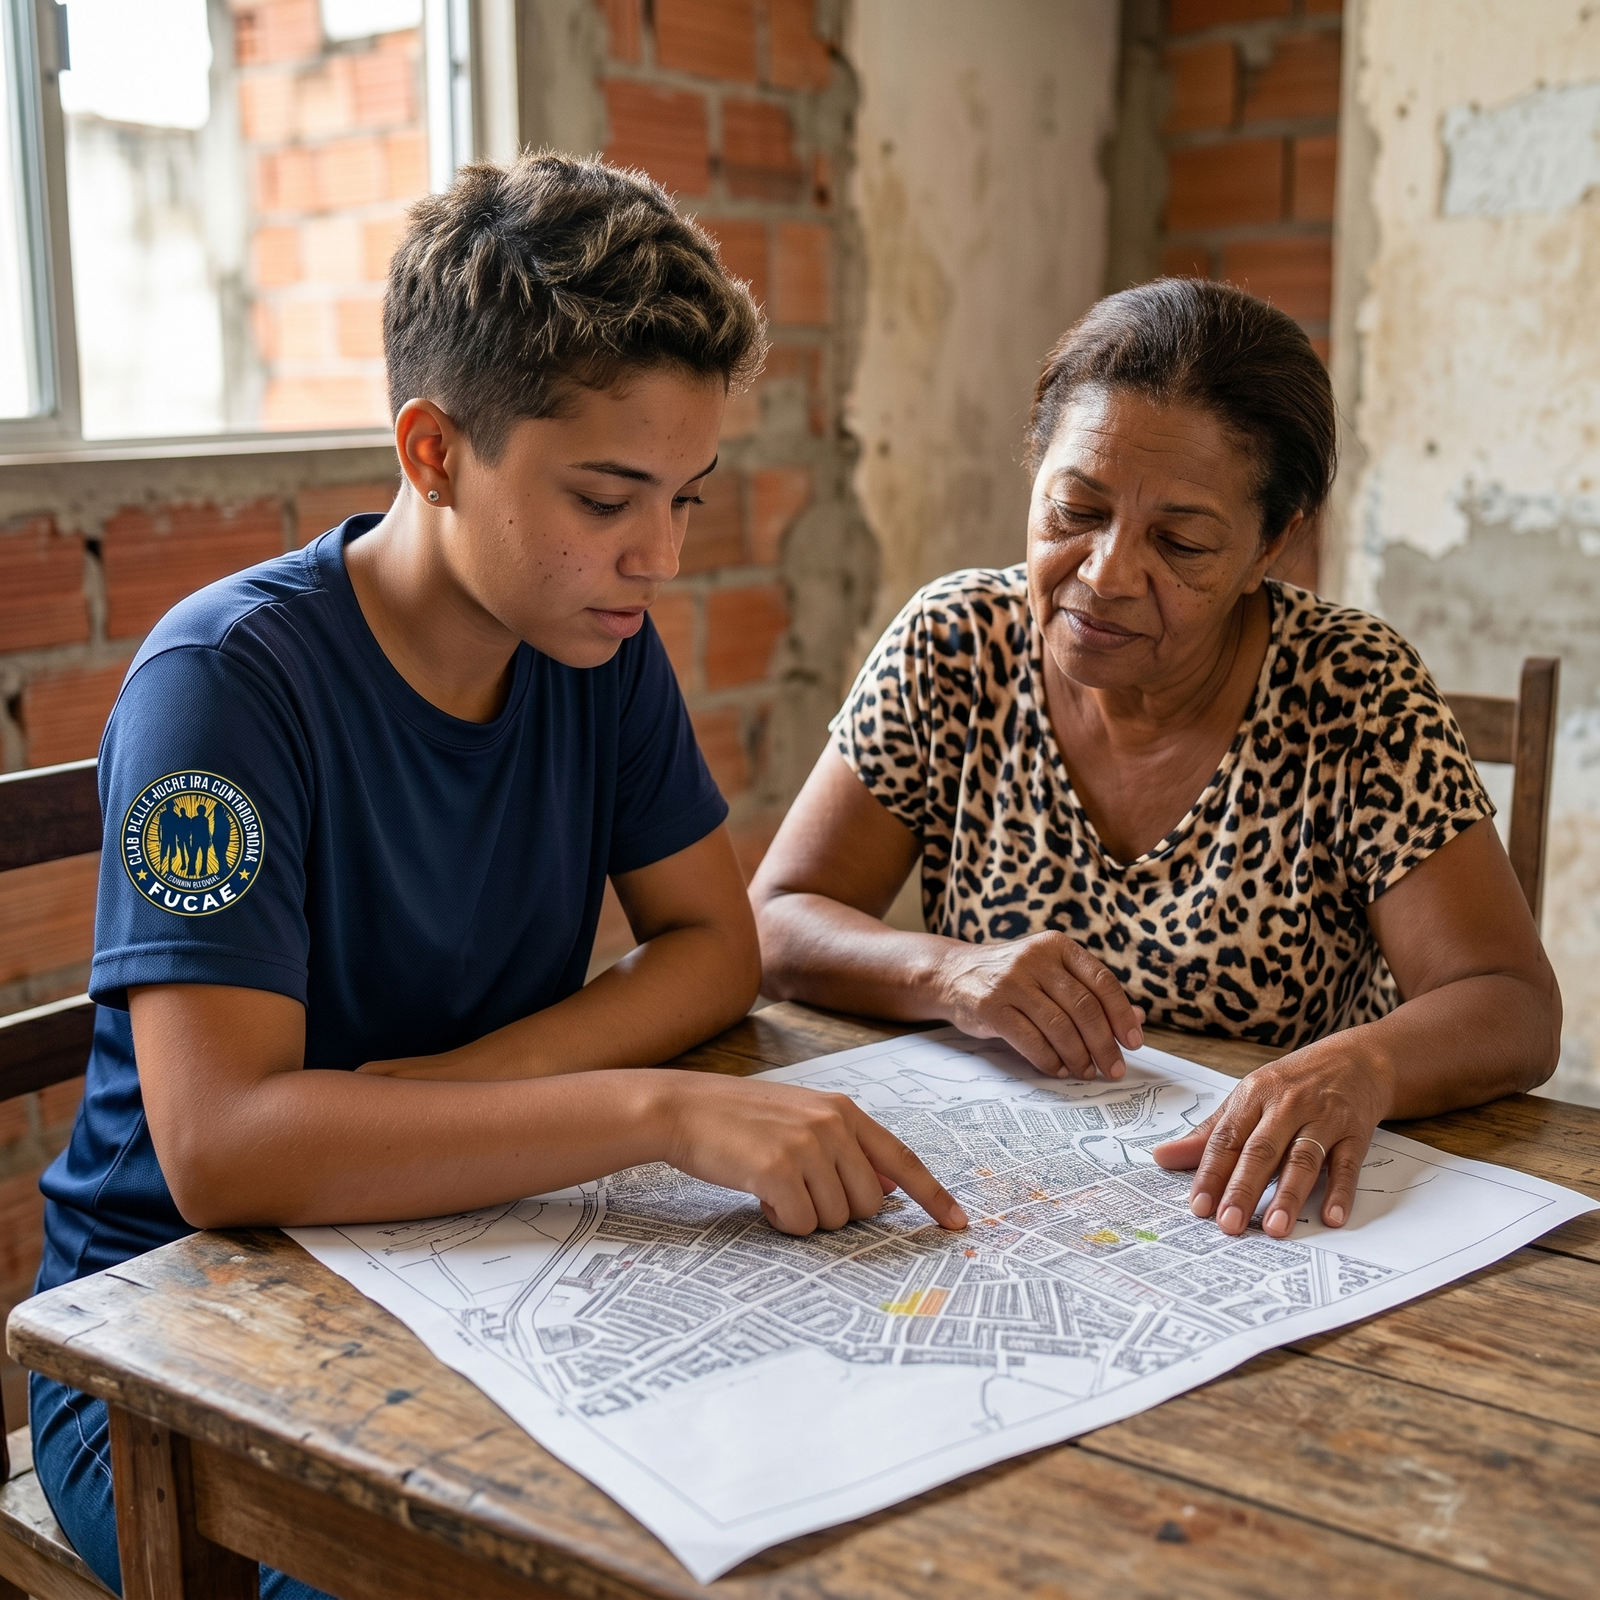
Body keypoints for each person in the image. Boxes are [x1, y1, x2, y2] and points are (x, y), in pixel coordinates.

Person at [34, 153, 962, 1598]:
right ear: (433, 450)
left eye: (686, 499)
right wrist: (651, 1111)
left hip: (474, 1258)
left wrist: (467, 1089)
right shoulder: (221, 692)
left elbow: (714, 948)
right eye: (606, 496)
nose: (655, 557)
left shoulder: (597, 643)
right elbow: (222, 1150)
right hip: (178, 1348)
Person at [752, 278, 1561, 1254]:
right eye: (1073, 510)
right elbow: (777, 920)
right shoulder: (955, 643)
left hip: (1264, 1222)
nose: (1103, 574)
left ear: (1272, 541)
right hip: (1015, 1201)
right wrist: (949, 970)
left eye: (1178, 542)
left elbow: (1510, 1004)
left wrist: (1366, 1067)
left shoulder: (1351, 690)